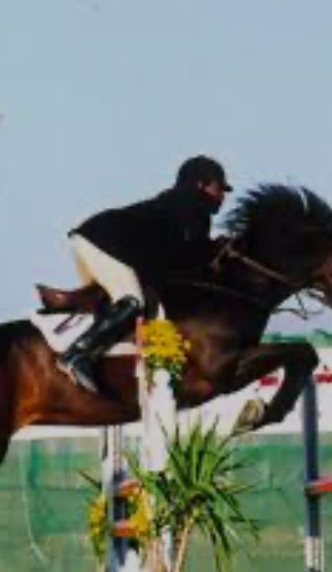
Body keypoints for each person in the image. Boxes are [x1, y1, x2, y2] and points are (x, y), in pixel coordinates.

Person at [57, 155, 233, 393]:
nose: (222, 196)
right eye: (219, 188)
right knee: (132, 301)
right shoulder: (191, 208)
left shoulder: (183, 206)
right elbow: (189, 260)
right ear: (200, 185)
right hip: (100, 242)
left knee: (126, 304)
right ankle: (76, 355)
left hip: (94, 238)